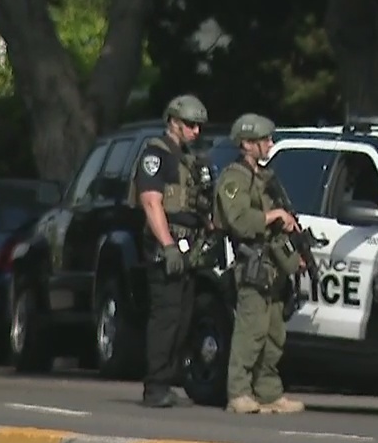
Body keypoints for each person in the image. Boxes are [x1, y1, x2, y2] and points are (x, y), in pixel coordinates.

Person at [213, 113, 306, 414]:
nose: (269, 144)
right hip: (252, 264)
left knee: (273, 332)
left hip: (274, 266)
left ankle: (268, 391)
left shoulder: (266, 178)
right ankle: (238, 391)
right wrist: (273, 217)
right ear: (247, 144)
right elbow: (239, 221)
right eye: (264, 139)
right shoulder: (234, 178)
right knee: (250, 330)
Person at [129, 94, 211, 408]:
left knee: (184, 315)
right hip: (166, 245)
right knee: (166, 316)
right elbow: (151, 202)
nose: (196, 131)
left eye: (199, 126)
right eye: (190, 124)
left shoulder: (190, 159)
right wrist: (167, 245)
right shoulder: (156, 154)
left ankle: (167, 379)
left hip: (189, 245)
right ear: (174, 122)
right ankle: (156, 385)